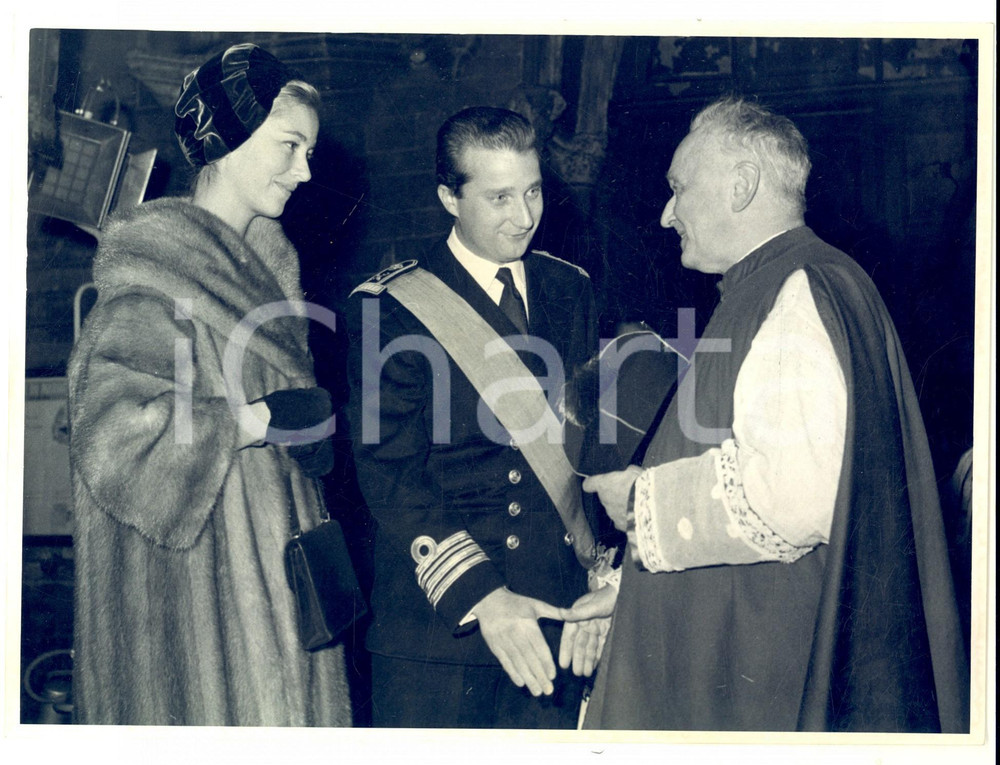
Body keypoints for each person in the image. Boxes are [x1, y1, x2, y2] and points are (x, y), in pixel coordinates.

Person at [568, 96, 969, 732]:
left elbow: (797, 493)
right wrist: (626, 591)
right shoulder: (781, 283)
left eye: (679, 188)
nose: (667, 213)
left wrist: (643, 501)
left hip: (764, 661)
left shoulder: (800, 287)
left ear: (741, 184)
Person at [67, 43, 352, 725]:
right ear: (226, 141)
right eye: (289, 146)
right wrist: (257, 420)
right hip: (198, 641)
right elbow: (112, 438)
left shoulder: (268, 283)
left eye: (309, 151)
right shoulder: (155, 280)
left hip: (284, 613)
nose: (305, 170)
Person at [346, 106, 601, 728]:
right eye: (499, 197)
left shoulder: (570, 288)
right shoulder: (392, 308)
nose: (525, 217)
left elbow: (593, 447)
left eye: (533, 191)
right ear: (449, 198)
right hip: (442, 633)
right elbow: (391, 474)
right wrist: (482, 595)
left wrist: (602, 582)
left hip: (557, 619)